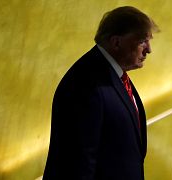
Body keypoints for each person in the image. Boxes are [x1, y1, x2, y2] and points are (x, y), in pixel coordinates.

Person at [43, 6, 159, 180]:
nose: (148, 49)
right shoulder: (87, 83)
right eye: (142, 41)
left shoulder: (113, 75)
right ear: (116, 42)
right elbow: (78, 163)